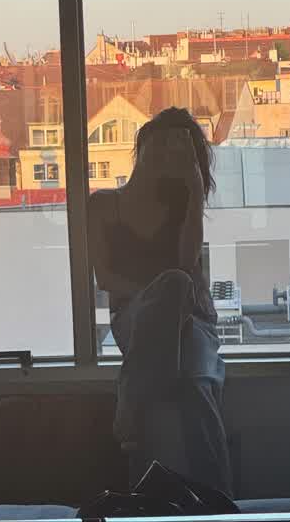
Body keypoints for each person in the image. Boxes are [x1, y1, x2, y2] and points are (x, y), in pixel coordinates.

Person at [88, 107, 233, 497]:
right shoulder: (102, 205)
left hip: (193, 319)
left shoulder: (180, 206)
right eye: (162, 144)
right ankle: (159, 505)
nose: (167, 154)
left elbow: (186, 263)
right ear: (144, 143)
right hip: (136, 318)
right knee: (170, 289)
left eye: (178, 150)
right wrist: (157, 297)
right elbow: (106, 278)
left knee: (196, 386)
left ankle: (217, 507)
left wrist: (195, 189)